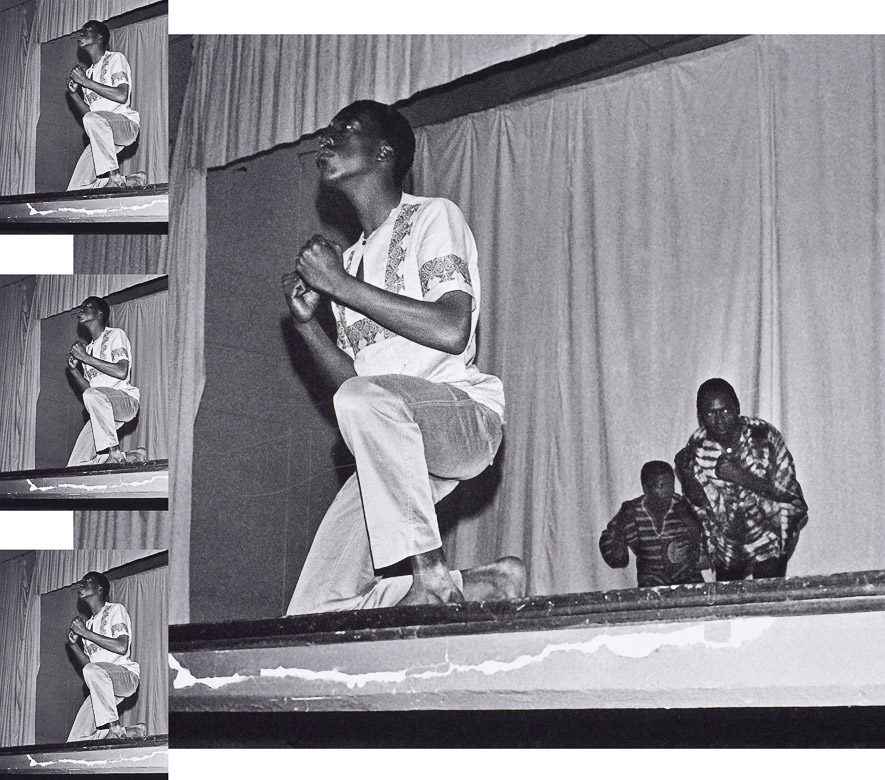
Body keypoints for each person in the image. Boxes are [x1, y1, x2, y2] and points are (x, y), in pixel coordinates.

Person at [283, 100, 524, 613]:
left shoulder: (433, 216)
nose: (326, 140)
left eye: (344, 130)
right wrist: (309, 326)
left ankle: (430, 573)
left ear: (384, 152)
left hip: (462, 419)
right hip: (393, 449)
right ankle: (483, 583)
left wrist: (340, 287)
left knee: (363, 400)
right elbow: (355, 384)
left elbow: (452, 327)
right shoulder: (347, 261)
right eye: (326, 132)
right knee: (313, 605)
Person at [675, 378, 808, 581]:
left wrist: (740, 476)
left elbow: (787, 492)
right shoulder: (697, 447)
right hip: (727, 545)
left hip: (769, 535)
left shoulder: (763, 436)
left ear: (737, 407)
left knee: (768, 599)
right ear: (701, 416)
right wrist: (685, 474)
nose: (719, 420)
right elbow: (699, 504)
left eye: (726, 411)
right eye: (711, 413)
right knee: (729, 604)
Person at [599, 461, 708, 587]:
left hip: (688, 583)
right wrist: (620, 524)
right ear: (645, 488)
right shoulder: (633, 513)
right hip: (652, 586)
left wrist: (692, 525)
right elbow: (617, 560)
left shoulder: (683, 507)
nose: (668, 491)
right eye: (661, 486)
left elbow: (708, 551)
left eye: (670, 485)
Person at [65, 19, 145, 190]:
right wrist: (74, 94)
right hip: (102, 134)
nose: (81, 33)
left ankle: (114, 176)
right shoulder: (89, 72)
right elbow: (89, 114)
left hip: (125, 125)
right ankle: (131, 180)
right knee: (76, 187)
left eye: (87, 30)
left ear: (99, 37)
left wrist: (85, 82)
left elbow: (122, 95)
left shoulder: (116, 58)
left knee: (92, 119)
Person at [66, 296, 145, 466]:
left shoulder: (115, 334)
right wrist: (74, 371)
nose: (81, 309)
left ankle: (114, 452)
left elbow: (122, 371)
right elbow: (90, 390)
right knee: (76, 463)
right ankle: (130, 456)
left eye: (86, 306)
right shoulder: (88, 349)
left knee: (92, 395)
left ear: (99, 313)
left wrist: (86, 358)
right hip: (102, 411)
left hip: (125, 401)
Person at [66, 571, 145, 741]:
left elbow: (122, 646)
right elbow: (89, 665)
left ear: (99, 588)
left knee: (92, 671)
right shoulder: (88, 624)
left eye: (86, 581)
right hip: (102, 685)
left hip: (125, 676)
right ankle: (131, 731)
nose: (81, 585)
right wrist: (74, 646)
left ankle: (114, 727)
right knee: (76, 738)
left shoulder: (115, 609)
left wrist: (86, 633)